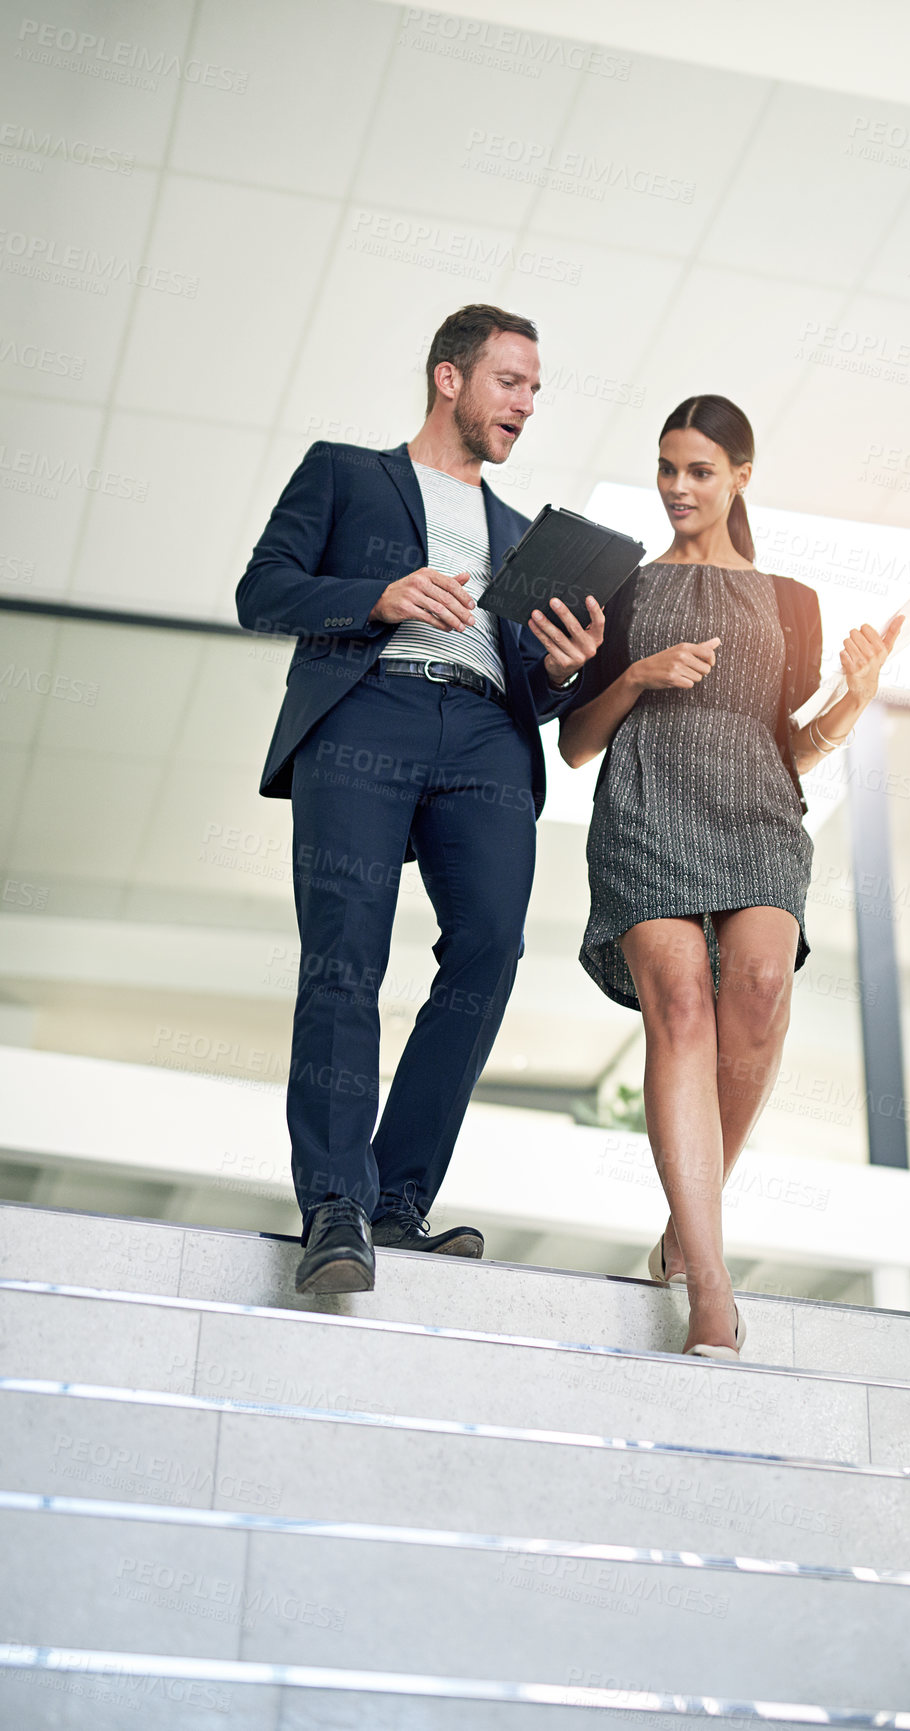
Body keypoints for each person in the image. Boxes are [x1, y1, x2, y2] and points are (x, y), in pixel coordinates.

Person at [237, 304, 603, 1295]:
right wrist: (379, 597)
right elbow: (261, 591)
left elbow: (535, 682)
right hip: (368, 713)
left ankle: (398, 1200)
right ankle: (336, 1208)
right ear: (450, 377)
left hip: (486, 735)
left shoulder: (527, 535)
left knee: (489, 951)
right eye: (510, 382)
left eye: (534, 389)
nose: (526, 405)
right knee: (345, 960)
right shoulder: (346, 473)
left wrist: (564, 671)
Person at [559, 395, 900, 1360]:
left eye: (698, 471)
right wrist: (636, 677)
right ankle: (709, 1282)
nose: (676, 487)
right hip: (645, 808)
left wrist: (854, 699)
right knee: (681, 1006)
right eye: (666, 468)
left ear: (740, 476)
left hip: (756, 814)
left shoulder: (792, 600)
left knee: (757, 990)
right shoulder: (619, 585)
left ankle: (683, 1223)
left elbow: (789, 748)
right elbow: (577, 746)